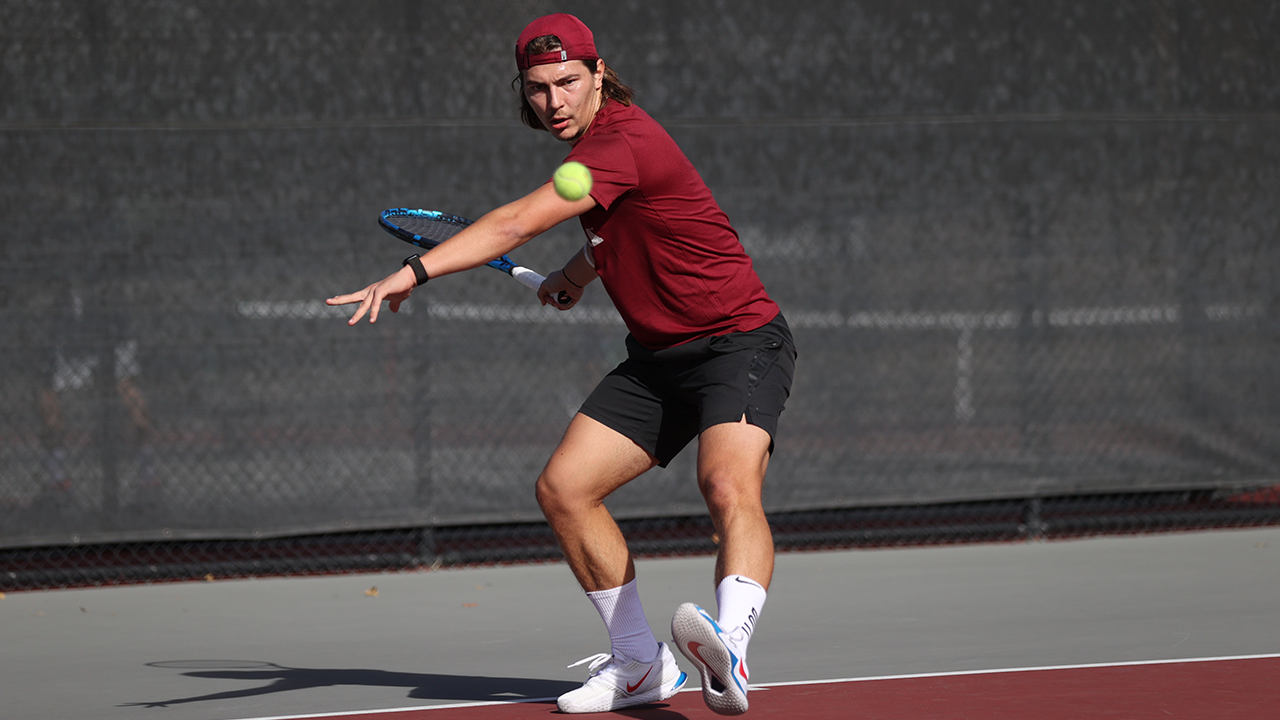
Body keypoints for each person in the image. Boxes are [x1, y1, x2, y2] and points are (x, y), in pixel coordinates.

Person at [328, 13, 796, 715]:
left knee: (727, 483)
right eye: (539, 87)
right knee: (564, 489)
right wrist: (576, 274)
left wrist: (413, 274)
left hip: (739, 340)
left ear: (599, 74)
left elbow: (516, 224)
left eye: (569, 82)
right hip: (659, 358)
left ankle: (729, 646)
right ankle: (640, 664)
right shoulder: (596, 151)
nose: (554, 101)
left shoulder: (622, 140)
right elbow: (621, 233)